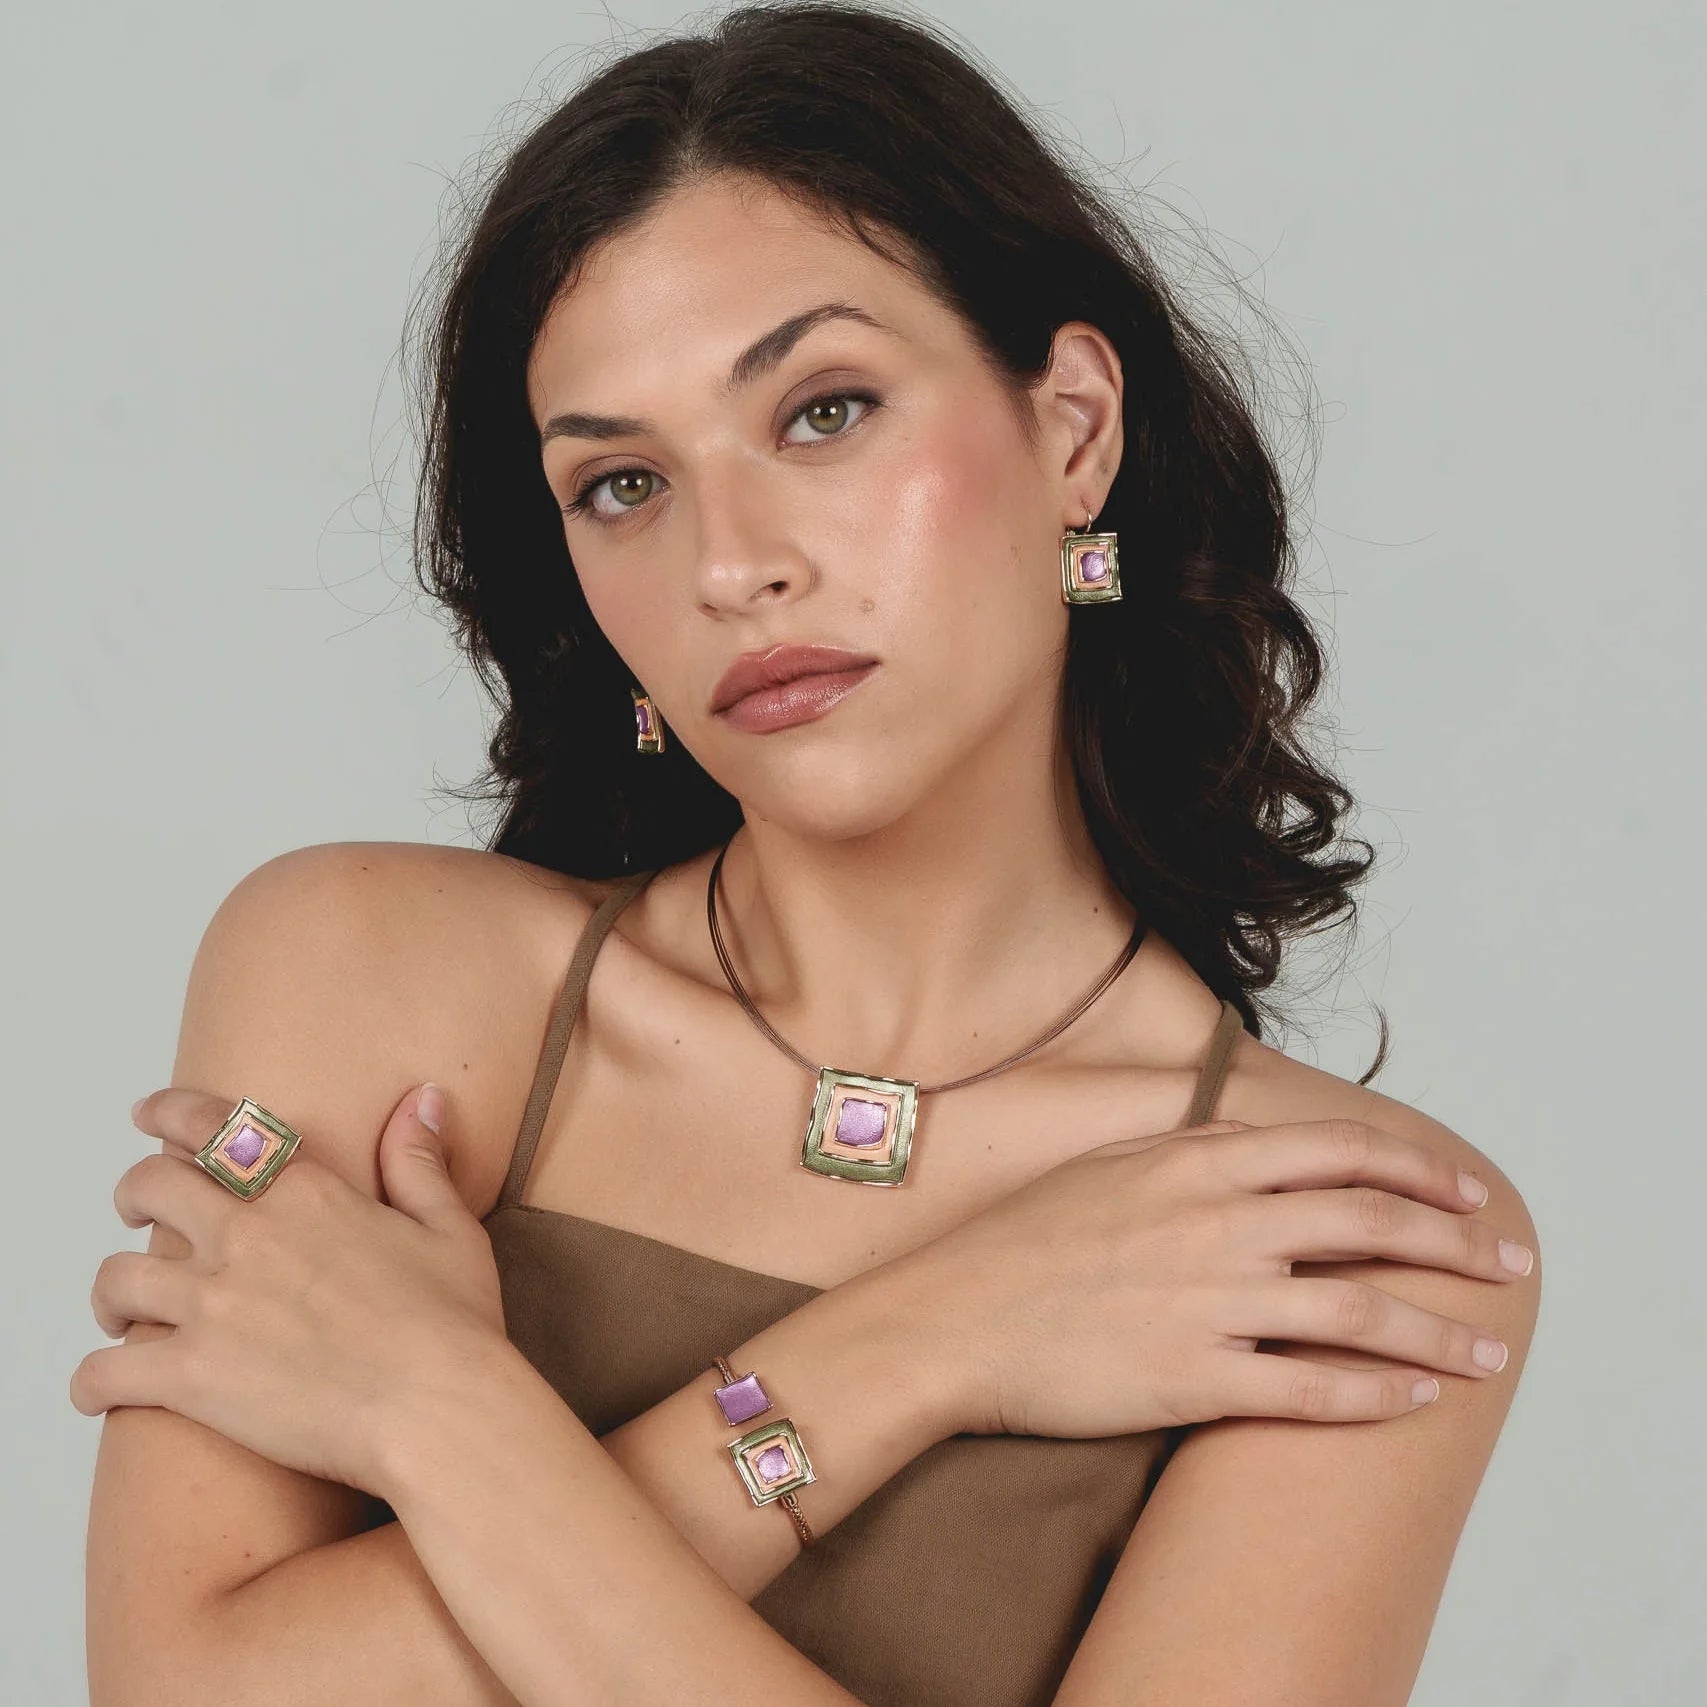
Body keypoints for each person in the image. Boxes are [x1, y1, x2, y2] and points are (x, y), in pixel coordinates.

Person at [81, 4, 1540, 1704]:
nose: (731, 566)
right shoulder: (369, 976)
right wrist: (928, 1342)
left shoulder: (1337, 1235)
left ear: (1074, 429)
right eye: (623, 486)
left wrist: (436, 1412)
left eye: (825, 410)